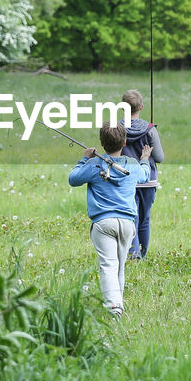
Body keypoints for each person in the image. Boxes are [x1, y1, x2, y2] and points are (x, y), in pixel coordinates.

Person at [68, 123, 152, 317]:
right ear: (124, 142)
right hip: (127, 224)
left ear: (102, 143)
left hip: (104, 223)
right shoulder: (132, 165)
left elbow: (73, 179)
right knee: (120, 266)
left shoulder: (95, 164)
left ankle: (114, 308)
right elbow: (145, 175)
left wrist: (85, 158)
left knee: (108, 265)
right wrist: (145, 159)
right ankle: (118, 304)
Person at [121, 88, 164, 259]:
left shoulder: (117, 128)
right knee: (144, 219)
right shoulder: (150, 130)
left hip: (126, 180)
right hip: (148, 181)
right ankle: (142, 254)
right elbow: (159, 157)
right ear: (142, 107)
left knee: (132, 218)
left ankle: (133, 253)